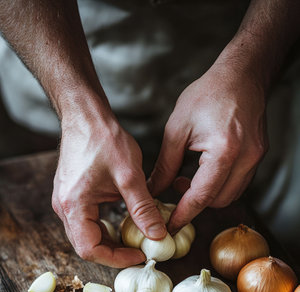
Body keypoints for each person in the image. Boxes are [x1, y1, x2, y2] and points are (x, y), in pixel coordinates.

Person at [0, 0, 299, 267]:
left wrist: (250, 68)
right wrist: (76, 108)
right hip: (69, 44)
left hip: (238, 39)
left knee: (284, 231)